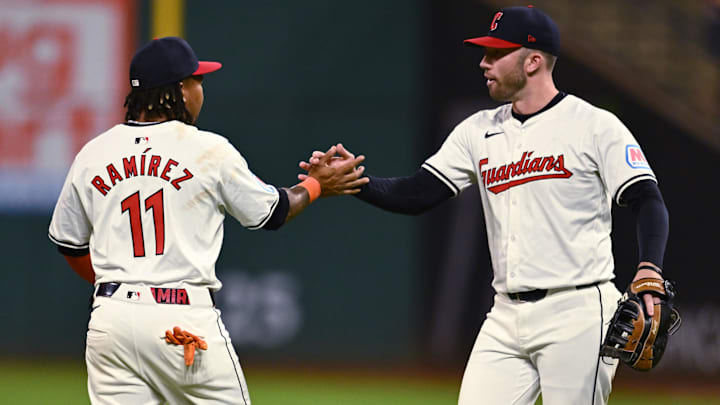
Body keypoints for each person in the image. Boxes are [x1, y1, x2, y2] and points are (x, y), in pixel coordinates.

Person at [300, 6, 669, 405]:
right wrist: (356, 182)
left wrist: (649, 267)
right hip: (505, 315)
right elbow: (418, 193)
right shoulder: (478, 129)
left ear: (533, 61)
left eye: (496, 53)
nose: (484, 62)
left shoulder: (594, 125)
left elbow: (647, 199)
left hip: (577, 310)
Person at [48, 36, 367, 404]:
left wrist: (124, 286)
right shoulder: (207, 150)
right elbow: (271, 213)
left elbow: (69, 245)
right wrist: (315, 184)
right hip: (180, 317)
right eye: (197, 81)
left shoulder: (94, 152)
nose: (201, 89)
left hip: (110, 319)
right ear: (180, 91)